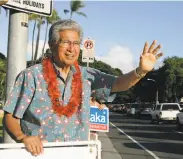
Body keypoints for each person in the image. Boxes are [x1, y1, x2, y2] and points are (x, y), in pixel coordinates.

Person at [3, 19, 163, 156]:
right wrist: (22, 137)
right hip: (40, 155)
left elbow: (118, 83)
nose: (71, 49)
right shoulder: (32, 76)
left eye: (76, 43)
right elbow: (10, 116)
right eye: (65, 42)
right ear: (52, 45)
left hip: (78, 154)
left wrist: (140, 71)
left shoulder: (87, 76)